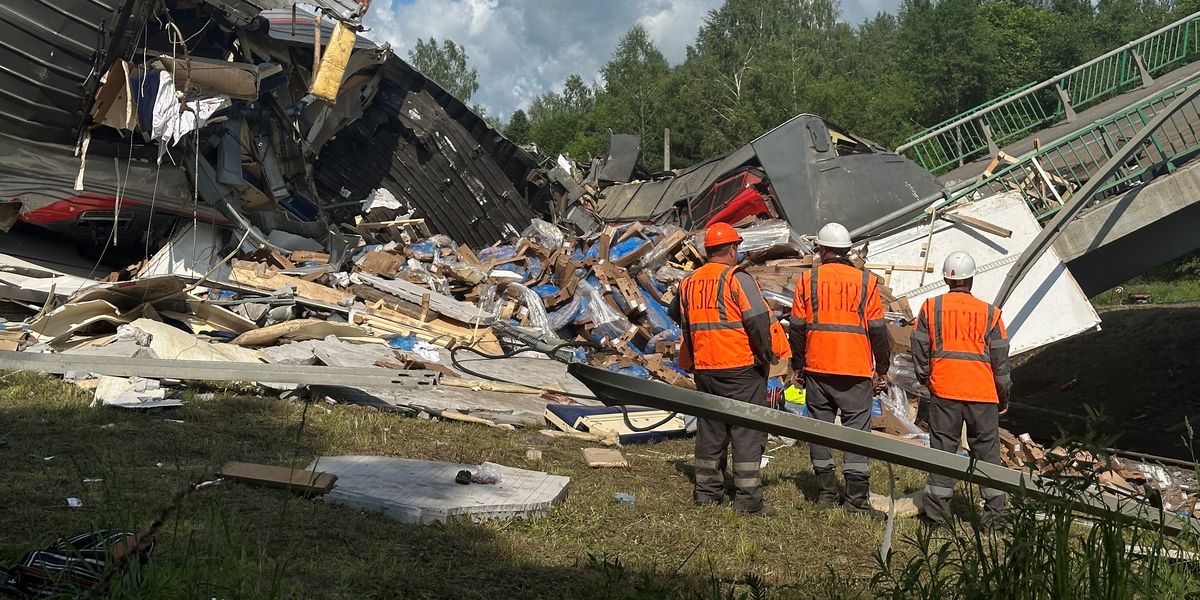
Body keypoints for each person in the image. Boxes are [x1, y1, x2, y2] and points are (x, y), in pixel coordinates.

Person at [669, 222, 777, 516]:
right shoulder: (736, 278)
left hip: (705, 367)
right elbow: (757, 321)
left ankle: (707, 492)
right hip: (740, 366)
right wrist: (766, 355)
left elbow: (676, 314)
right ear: (732, 249)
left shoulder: (689, 281)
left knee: (711, 428)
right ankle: (748, 500)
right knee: (747, 431)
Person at [789, 222, 890, 518]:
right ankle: (856, 500)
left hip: (818, 368)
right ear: (847, 251)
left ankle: (826, 493)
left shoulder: (808, 280)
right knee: (857, 434)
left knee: (819, 431)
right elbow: (879, 332)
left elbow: (796, 329)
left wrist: (798, 365)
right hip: (855, 370)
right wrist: (881, 369)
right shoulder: (865, 282)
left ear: (822, 250)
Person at [913, 251, 1012, 529]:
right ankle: (995, 520)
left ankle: (937, 519)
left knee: (943, 452)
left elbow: (919, 348)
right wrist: (1002, 394)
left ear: (946, 277)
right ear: (971, 279)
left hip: (944, 390)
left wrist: (926, 379)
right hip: (982, 394)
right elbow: (1001, 362)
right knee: (988, 455)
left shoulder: (931, 308)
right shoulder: (991, 313)